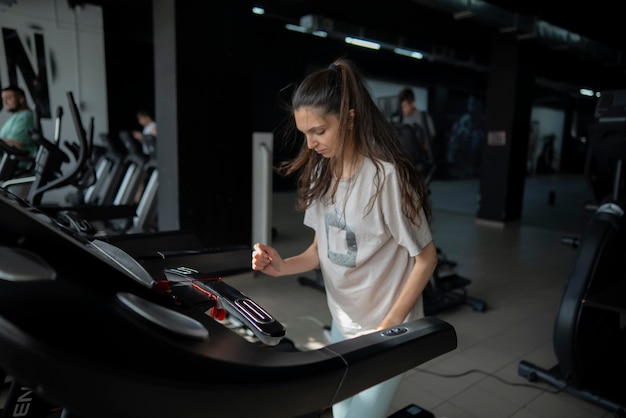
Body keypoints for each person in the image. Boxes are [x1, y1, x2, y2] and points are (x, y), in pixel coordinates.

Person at [251, 58, 438, 418]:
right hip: (344, 322)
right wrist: (282, 265)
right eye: (305, 132)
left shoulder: (386, 179)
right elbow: (321, 251)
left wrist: (386, 331)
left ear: (349, 119)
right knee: (338, 413)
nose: (311, 143)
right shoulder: (322, 170)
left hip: (387, 329)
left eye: (319, 131)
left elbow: (426, 259)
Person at [0, 85, 36, 171]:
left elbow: (16, 144)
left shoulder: (25, 116)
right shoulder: (16, 116)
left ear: (21, 99)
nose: (5, 102)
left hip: (18, 168)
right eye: (3, 99)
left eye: (8, 98)